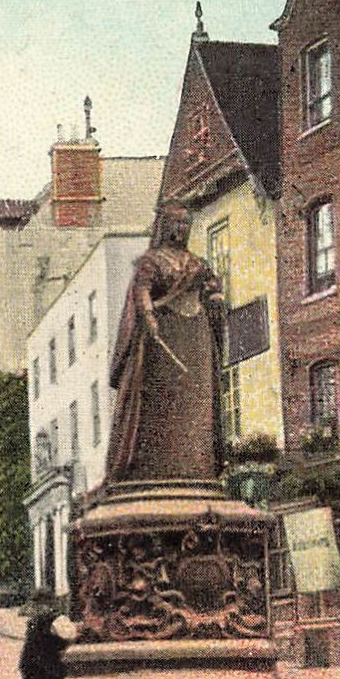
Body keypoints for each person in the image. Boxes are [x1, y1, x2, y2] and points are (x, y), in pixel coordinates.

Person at [105, 204, 227, 485]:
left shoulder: (197, 263)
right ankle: (161, 460)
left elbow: (211, 287)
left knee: (196, 396)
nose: (183, 229)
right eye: (178, 223)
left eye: (187, 224)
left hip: (196, 335)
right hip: (166, 332)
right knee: (165, 398)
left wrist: (216, 298)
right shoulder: (152, 261)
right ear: (167, 226)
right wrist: (148, 315)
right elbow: (142, 291)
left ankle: (197, 461)